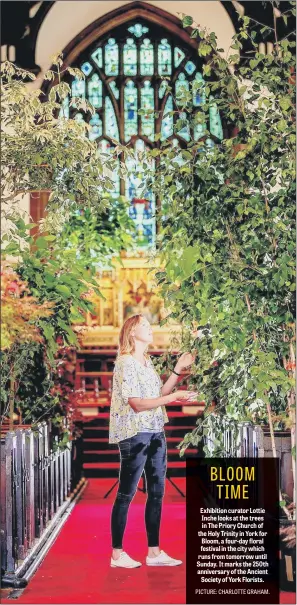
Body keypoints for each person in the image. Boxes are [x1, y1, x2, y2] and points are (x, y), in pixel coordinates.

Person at [109, 313, 198, 569]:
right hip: (135, 433)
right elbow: (137, 404)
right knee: (126, 493)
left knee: (157, 493)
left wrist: (177, 371)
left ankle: (154, 552)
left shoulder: (146, 362)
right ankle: (117, 554)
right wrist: (173, 399)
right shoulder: (125, 363)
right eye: (144, 326)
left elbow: (158, 395)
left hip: (156, 430)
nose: (150, 329)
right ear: (132, 332)